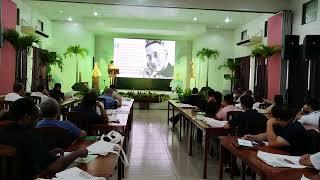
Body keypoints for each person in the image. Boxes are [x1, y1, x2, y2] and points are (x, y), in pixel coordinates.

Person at [0, 98, 88, 179]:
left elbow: (26, 156)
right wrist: (77, 153)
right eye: (36, 117)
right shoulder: (31, 136)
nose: (37, 120)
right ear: (27, 117)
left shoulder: (3, 131)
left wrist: (47, 154)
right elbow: (53, 168)